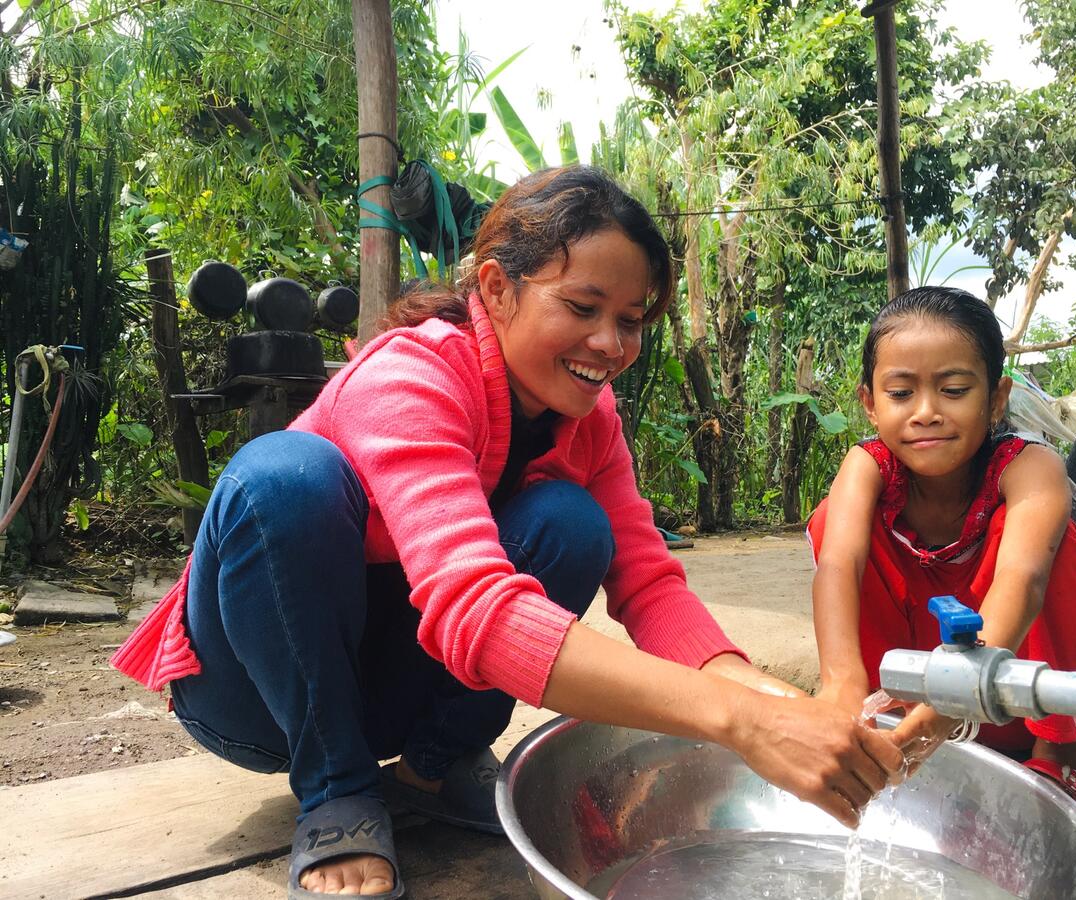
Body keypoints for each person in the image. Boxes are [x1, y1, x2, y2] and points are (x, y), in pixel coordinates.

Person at [112, 166, 903, 898]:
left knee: (570, 525)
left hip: (387, 681)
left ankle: (431, 768)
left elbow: (651, 586)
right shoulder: (412, 374)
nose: (611, 345)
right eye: (583, 308)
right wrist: (743, 722)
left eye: (631, 320)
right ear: (496, 288)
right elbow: (475, 607)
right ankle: (335, 790)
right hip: (256, 697)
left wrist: (788, 704)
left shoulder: (591, 425)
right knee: (281, 479)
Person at [807, 286, 1076, 823]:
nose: (926, 413)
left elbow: (1023, 580)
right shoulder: (867, 467)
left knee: (1054, 541)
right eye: (901, 394)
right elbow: (839, 564)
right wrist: (840, 686)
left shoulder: (1030, 467)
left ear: (996, 399)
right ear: (870, 404)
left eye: (952, 390)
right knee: (830, 522)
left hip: (1016, 686)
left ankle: (1059, 750)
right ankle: (878, 709)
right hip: (917, 694)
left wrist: (955, 701)